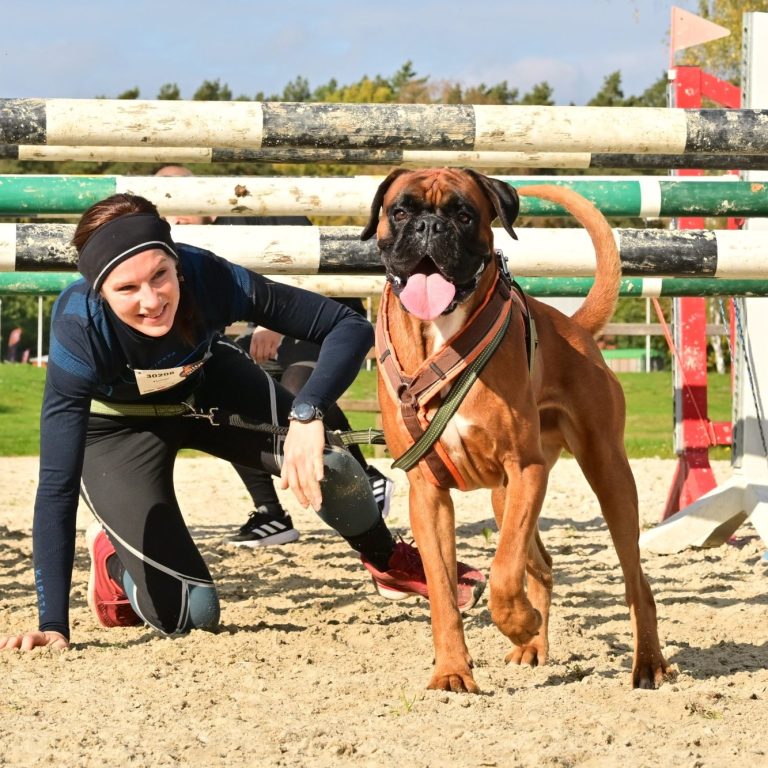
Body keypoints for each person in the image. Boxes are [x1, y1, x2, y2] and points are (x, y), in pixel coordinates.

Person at [0, 193, 485, 651]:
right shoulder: (76, 329)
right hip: (116, 432)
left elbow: (347, 325)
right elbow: (56, 487)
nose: (150, 300)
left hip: (207, 389)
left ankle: (389, 563)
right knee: (194, 613)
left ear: (177, 263)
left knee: (329, 462)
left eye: (161, 276)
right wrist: (52, 623)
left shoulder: (210, 275)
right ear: (99, 291)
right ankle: (114, 562)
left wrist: (307, 410)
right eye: (126, 288)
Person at [154, 165, 393, 547]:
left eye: (181, 199)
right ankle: (270, 512)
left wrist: (273, 326)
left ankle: (364, 474)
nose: (175, 213)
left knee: (300, 389)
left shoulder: (259, 207)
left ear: (206, 198)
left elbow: (314, 264)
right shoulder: (178, 252)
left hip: (323, 321)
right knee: (224, 399)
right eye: (164, 206)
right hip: (263, 334)